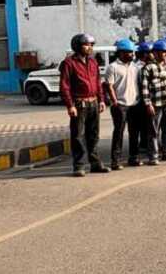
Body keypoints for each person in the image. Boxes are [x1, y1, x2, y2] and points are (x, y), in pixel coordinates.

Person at [60, 33, 106, 176]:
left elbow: (98, 82)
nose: (90, 47)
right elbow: (65, 86)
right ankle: (79, 166)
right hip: (79, 104)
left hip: (94, 102)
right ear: (77, 46)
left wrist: (101, 100)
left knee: (94, 135)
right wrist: (70, 105)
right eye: (86, 45)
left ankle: (95, 163)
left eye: (91, 45)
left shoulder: (93, 62)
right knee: (78, 136)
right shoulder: (69, 63)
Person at [141, 39, 166, 165]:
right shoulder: (148, 68)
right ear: (155, 53)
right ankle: (153, 156)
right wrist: (148, 104)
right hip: (155, 105)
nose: (165, 54)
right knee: (154, 131)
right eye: (162, 52)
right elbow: (145, 87)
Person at [105, 39, 140, 170]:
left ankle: (134, 157)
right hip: (120, 105)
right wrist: (114, 101)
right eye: (129, 52)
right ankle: (116, 160)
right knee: (119, 133)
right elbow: (109, 85)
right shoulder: (113, 67)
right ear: (121, 53)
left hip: (134, 104)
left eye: (132, 52)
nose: (132, 54)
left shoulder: (135, 67)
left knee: (134, 133)